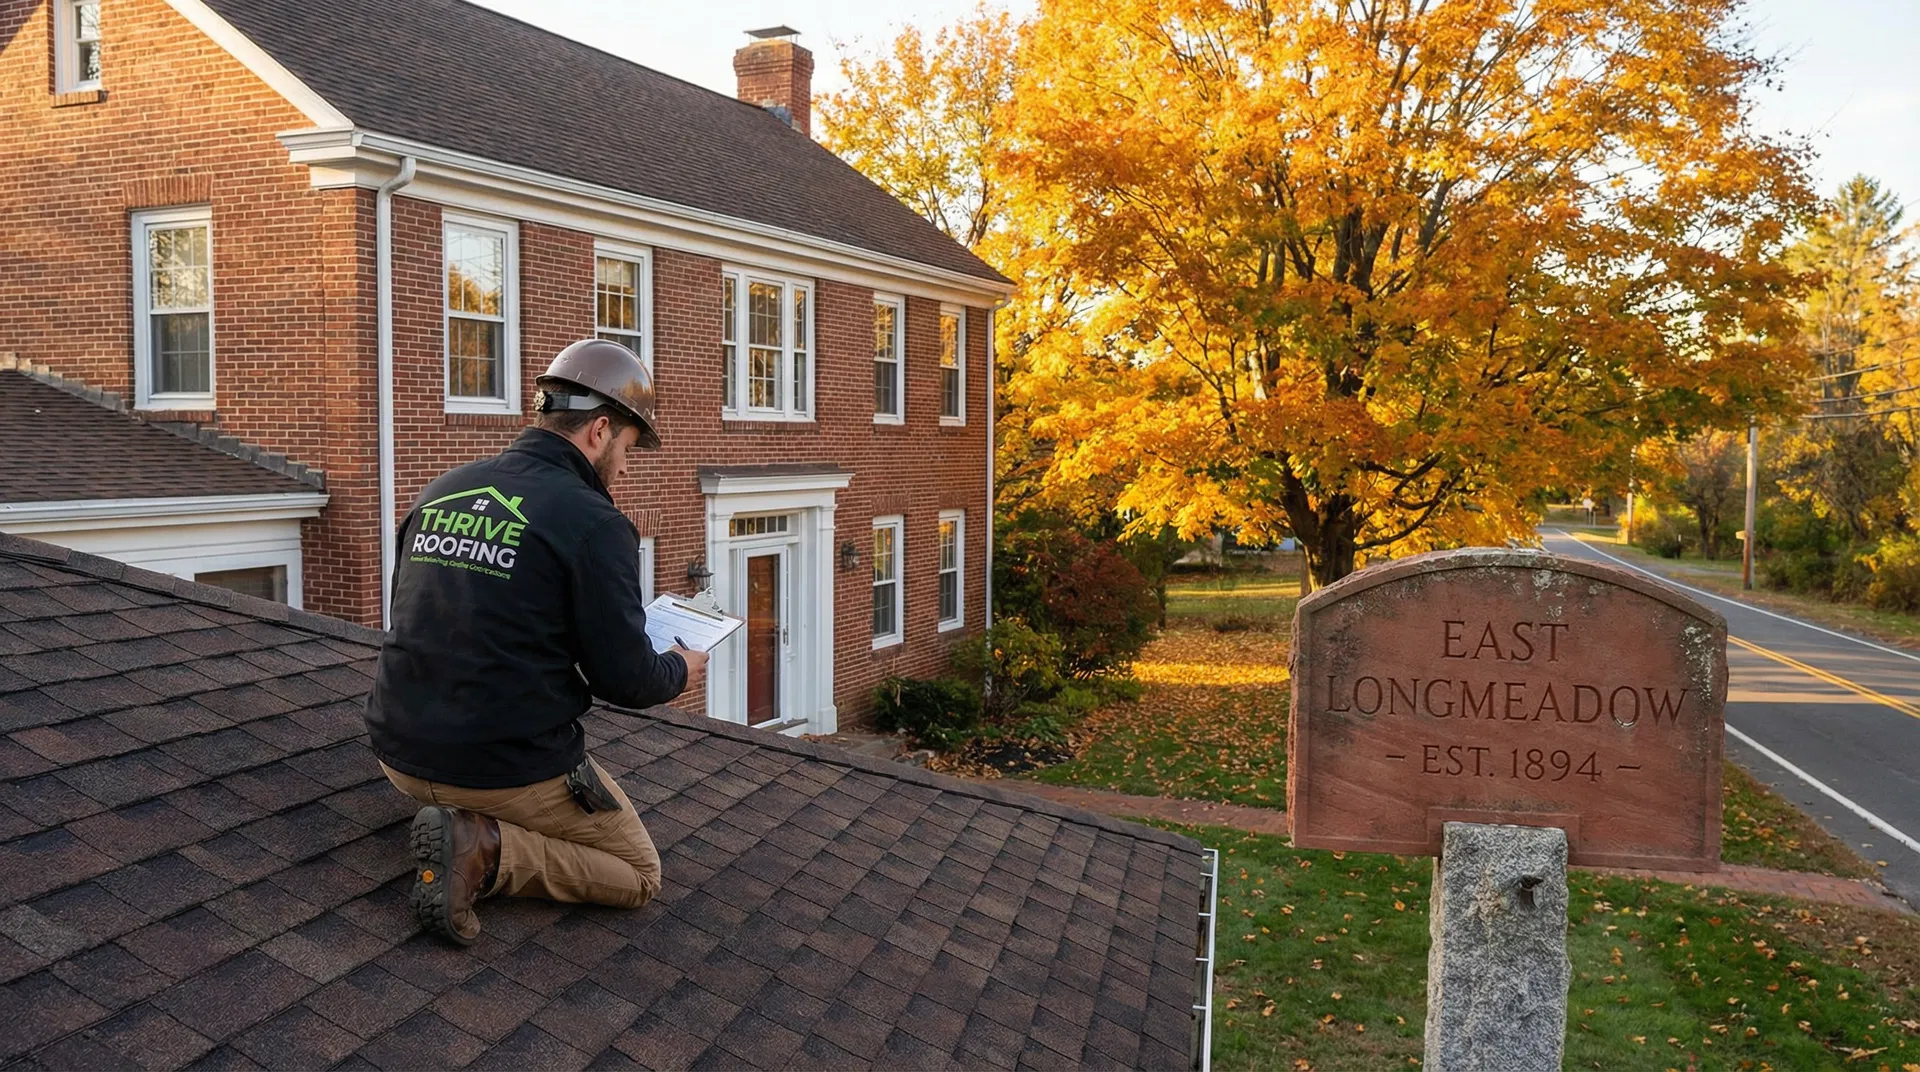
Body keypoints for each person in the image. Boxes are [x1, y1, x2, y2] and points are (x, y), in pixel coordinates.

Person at [363, 338, 708, 945]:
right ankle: (485, 849)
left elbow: (425, 616)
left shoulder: (443, 490)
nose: (626, 467)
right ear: (601, 430)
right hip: (498, 767)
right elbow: (625, 680)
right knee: (639, 873)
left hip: (399, 751)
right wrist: (680, 668)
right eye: (628, 448)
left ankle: (465, 820)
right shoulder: (595, 522)